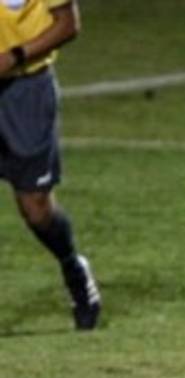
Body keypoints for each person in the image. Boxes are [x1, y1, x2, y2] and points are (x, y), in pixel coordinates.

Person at [1, 0, 99, 330]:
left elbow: (67, 25)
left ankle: (72, 267)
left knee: (36, 208)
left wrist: (14, 56)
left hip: (24, 89)